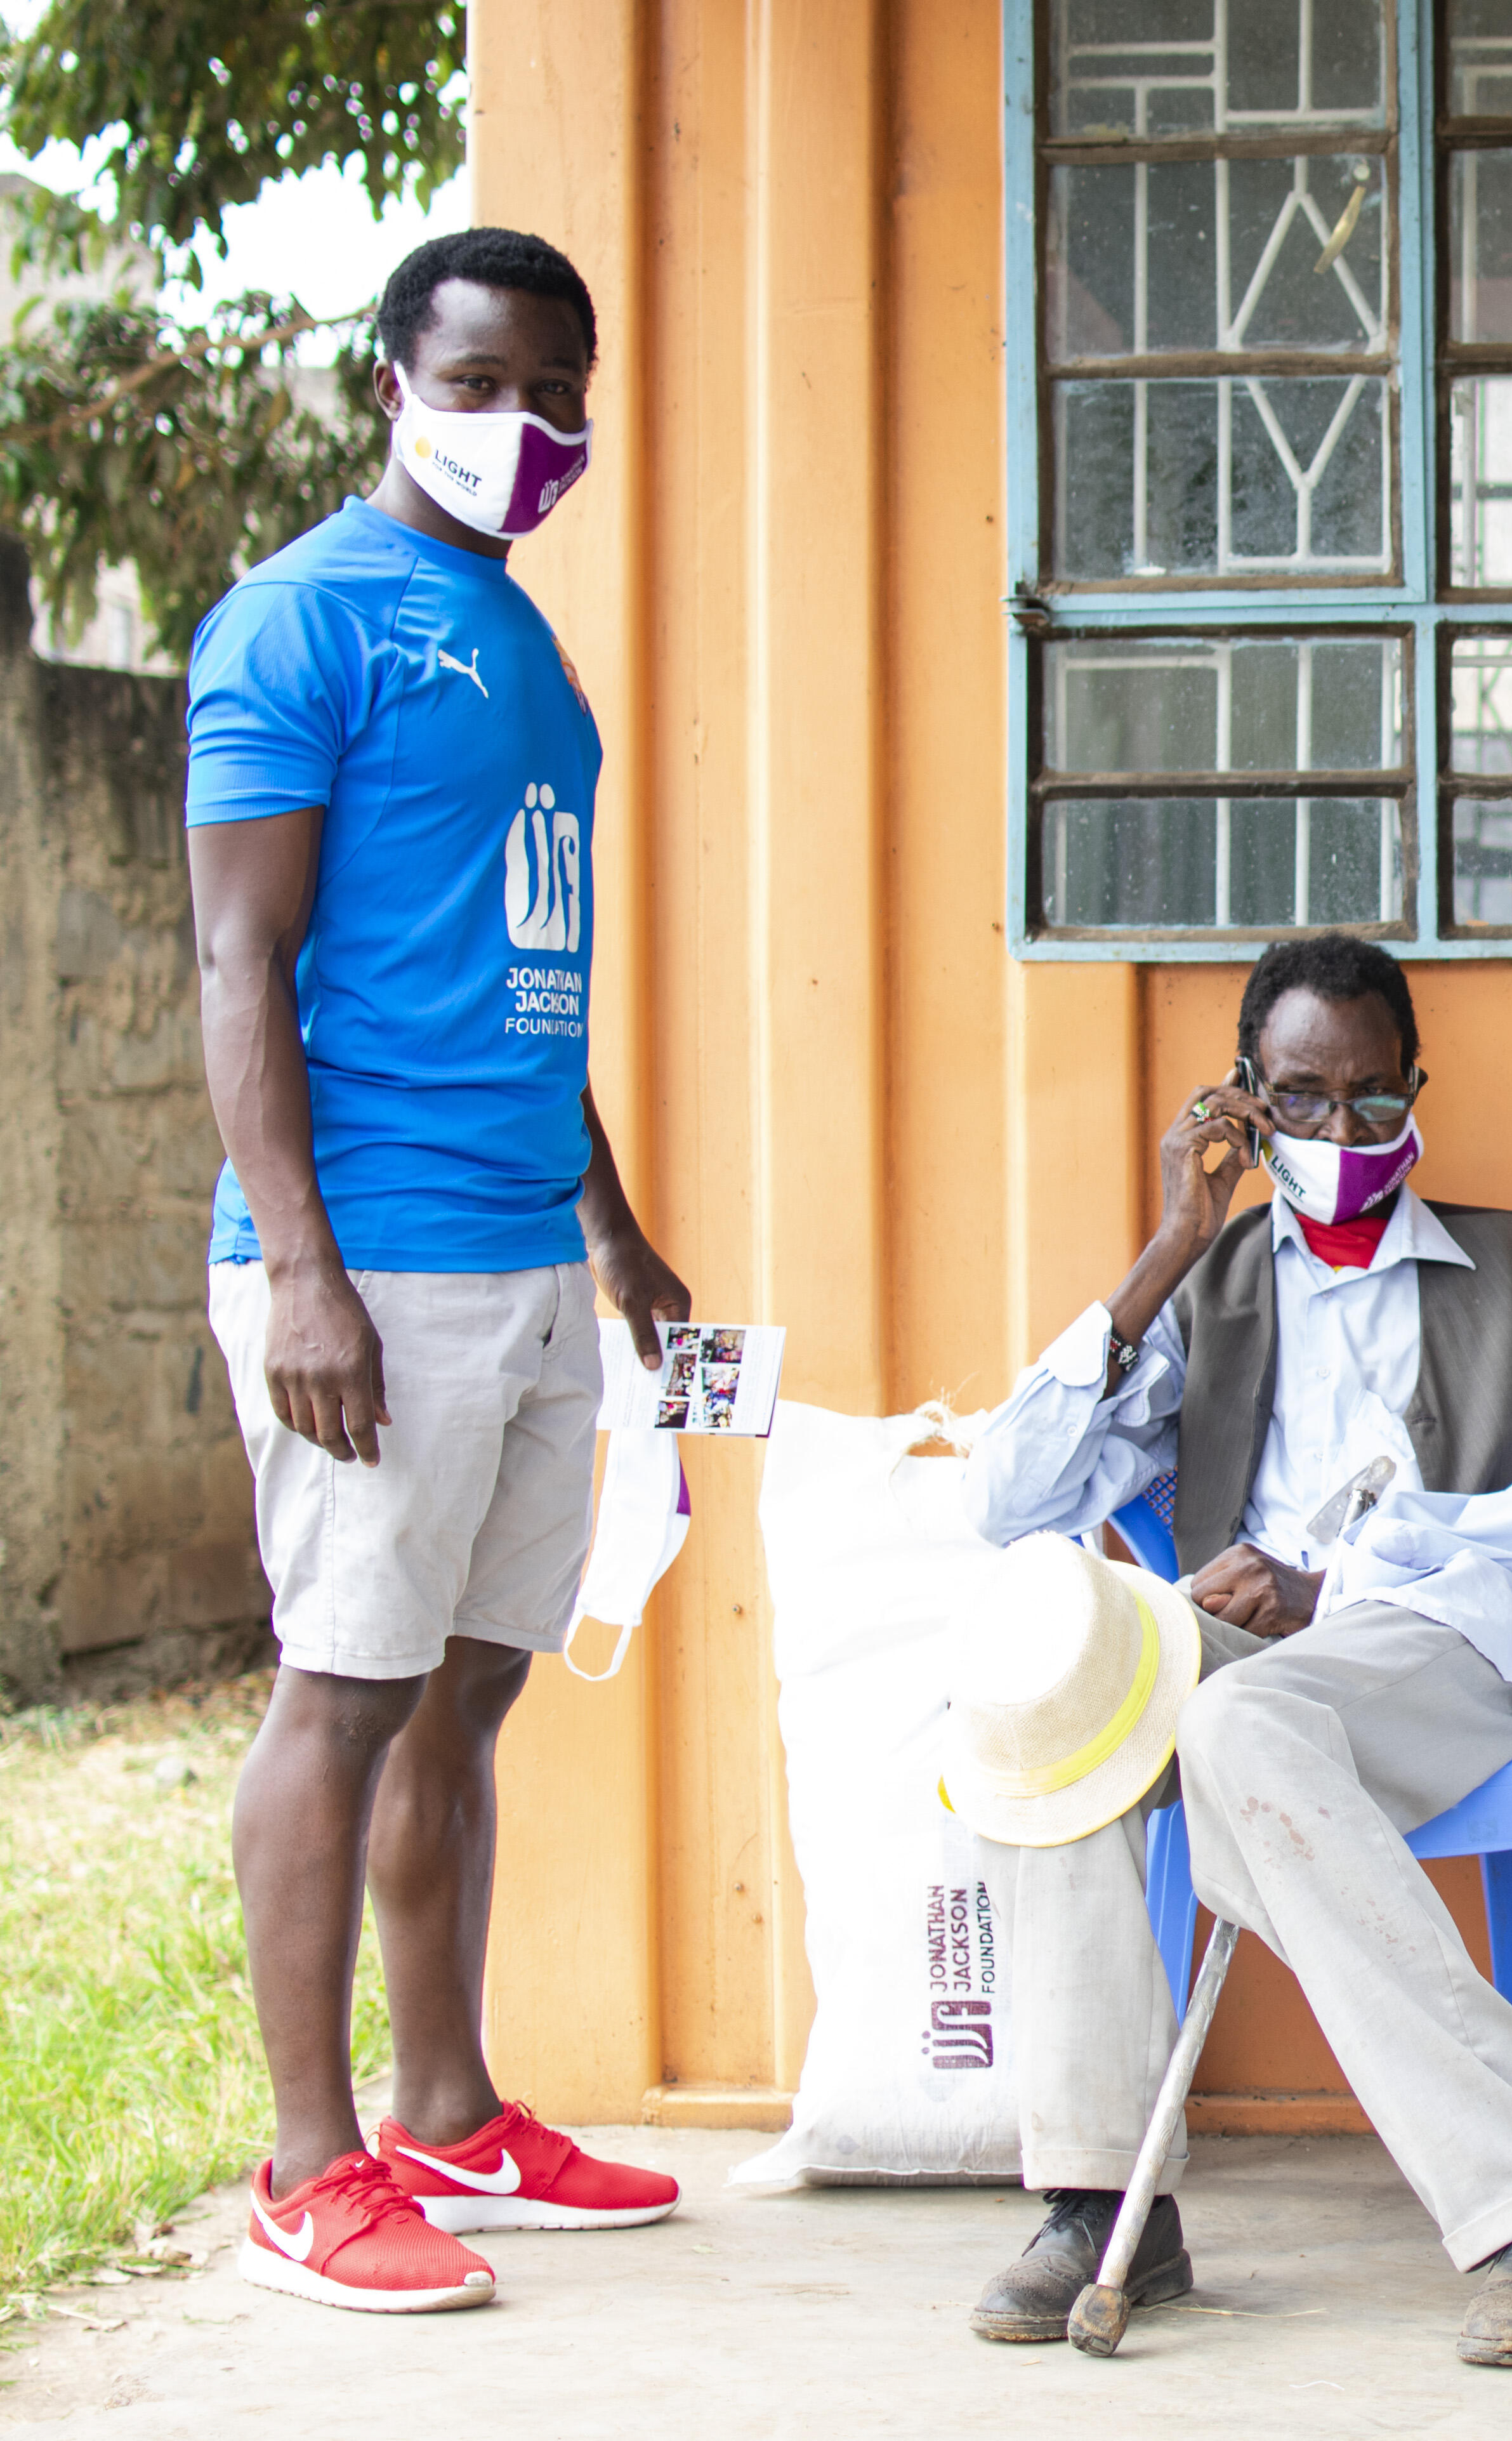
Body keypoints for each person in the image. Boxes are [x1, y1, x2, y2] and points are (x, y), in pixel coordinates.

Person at [190, 229, 693, 2315]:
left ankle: (449, 2106)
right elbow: (239, 956)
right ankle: (310, 2165)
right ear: (391, 383)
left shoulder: (520, 638)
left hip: (521, 1249)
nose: (525, 427)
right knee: (347, 1686)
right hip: (371, 1261)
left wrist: (617, 1222)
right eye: (480, 383)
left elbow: (524, 979)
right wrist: (301, 1269)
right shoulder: (297, 620)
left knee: (467, 1689)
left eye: (558, 394)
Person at [961, 933, 1512, 2367]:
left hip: (1444, 1638)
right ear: (1244, 1106)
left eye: (1375, 1098)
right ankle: (1107, 2209)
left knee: (1240, 1730)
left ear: (1415, 1091)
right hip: (1242, 1652)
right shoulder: (1204, 1293)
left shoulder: (1508, 1268)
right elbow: (1010, 1499)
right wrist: (1165, 1247)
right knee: (1058, 1714)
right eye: (1302, 1098)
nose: (1342, 1132)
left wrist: (1347, 1575)